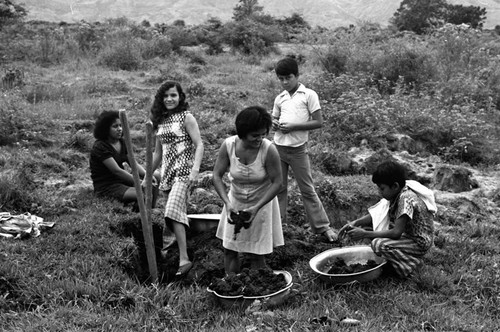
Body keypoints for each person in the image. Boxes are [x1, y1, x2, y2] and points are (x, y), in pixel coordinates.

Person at [271, 56, 337, 243]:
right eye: (281, 78)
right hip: (279, 148)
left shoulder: (308, 95)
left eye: (288, 78)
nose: (285, 82)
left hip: (298, 150)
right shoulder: (280, 98)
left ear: (297, 75)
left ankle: (322, 227)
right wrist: (275, 124)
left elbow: (318, 122)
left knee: (307, 188)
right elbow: (274, 120)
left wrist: (294, 126)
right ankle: (279, 225)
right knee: (279, 187)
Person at [213, 106, 284, 274]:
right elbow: (216, 175)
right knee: (230, 248)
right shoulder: (229, 146)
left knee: (256, 252)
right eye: (254, 135)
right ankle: (231, 285)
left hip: (262, 203)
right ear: (242, 134)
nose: (259, 139)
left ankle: (257, 291)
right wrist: (227, 203)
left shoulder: (268, 149)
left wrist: (256, 208)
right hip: (235, 202)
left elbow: (277, 182)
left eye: (263, 134)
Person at [338, 161, 436, 279]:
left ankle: (412, 266)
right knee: (371, 230)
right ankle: (397, 260)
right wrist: (355, 223)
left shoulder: (406, 198)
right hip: (408, 235)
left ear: (394, 186)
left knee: (378, 244)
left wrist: (364, 234)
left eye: (382, 188)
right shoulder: (397, 193)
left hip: (418, 242)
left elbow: (396, 233)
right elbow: (377, 214)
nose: (380, 192)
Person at [150, 81, 204, 277]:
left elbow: (199, 144)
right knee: (172, 216)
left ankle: (184, 258)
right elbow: (157, 154)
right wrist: (148, 176)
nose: (169, 99)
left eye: (173, 95)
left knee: (172, 210)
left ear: (180, 97)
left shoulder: (186, 117)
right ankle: (169, 252)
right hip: (167, 174)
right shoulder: (161, 121)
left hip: (184, 173)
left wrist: (195, 170)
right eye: (165, 96)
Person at [90, 110, 158, 208]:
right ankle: (138, 213)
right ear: (105, 129)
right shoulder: (100, 146)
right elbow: (117, 171)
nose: (119, 129)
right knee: (144, 194)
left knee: (155, 176)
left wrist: (146, 176)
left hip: (121, 181)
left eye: (120, 126)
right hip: (108, 186)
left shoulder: (122, 142)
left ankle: (151, 209)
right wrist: (140, 183)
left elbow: (133, 163)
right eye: (115, 126)